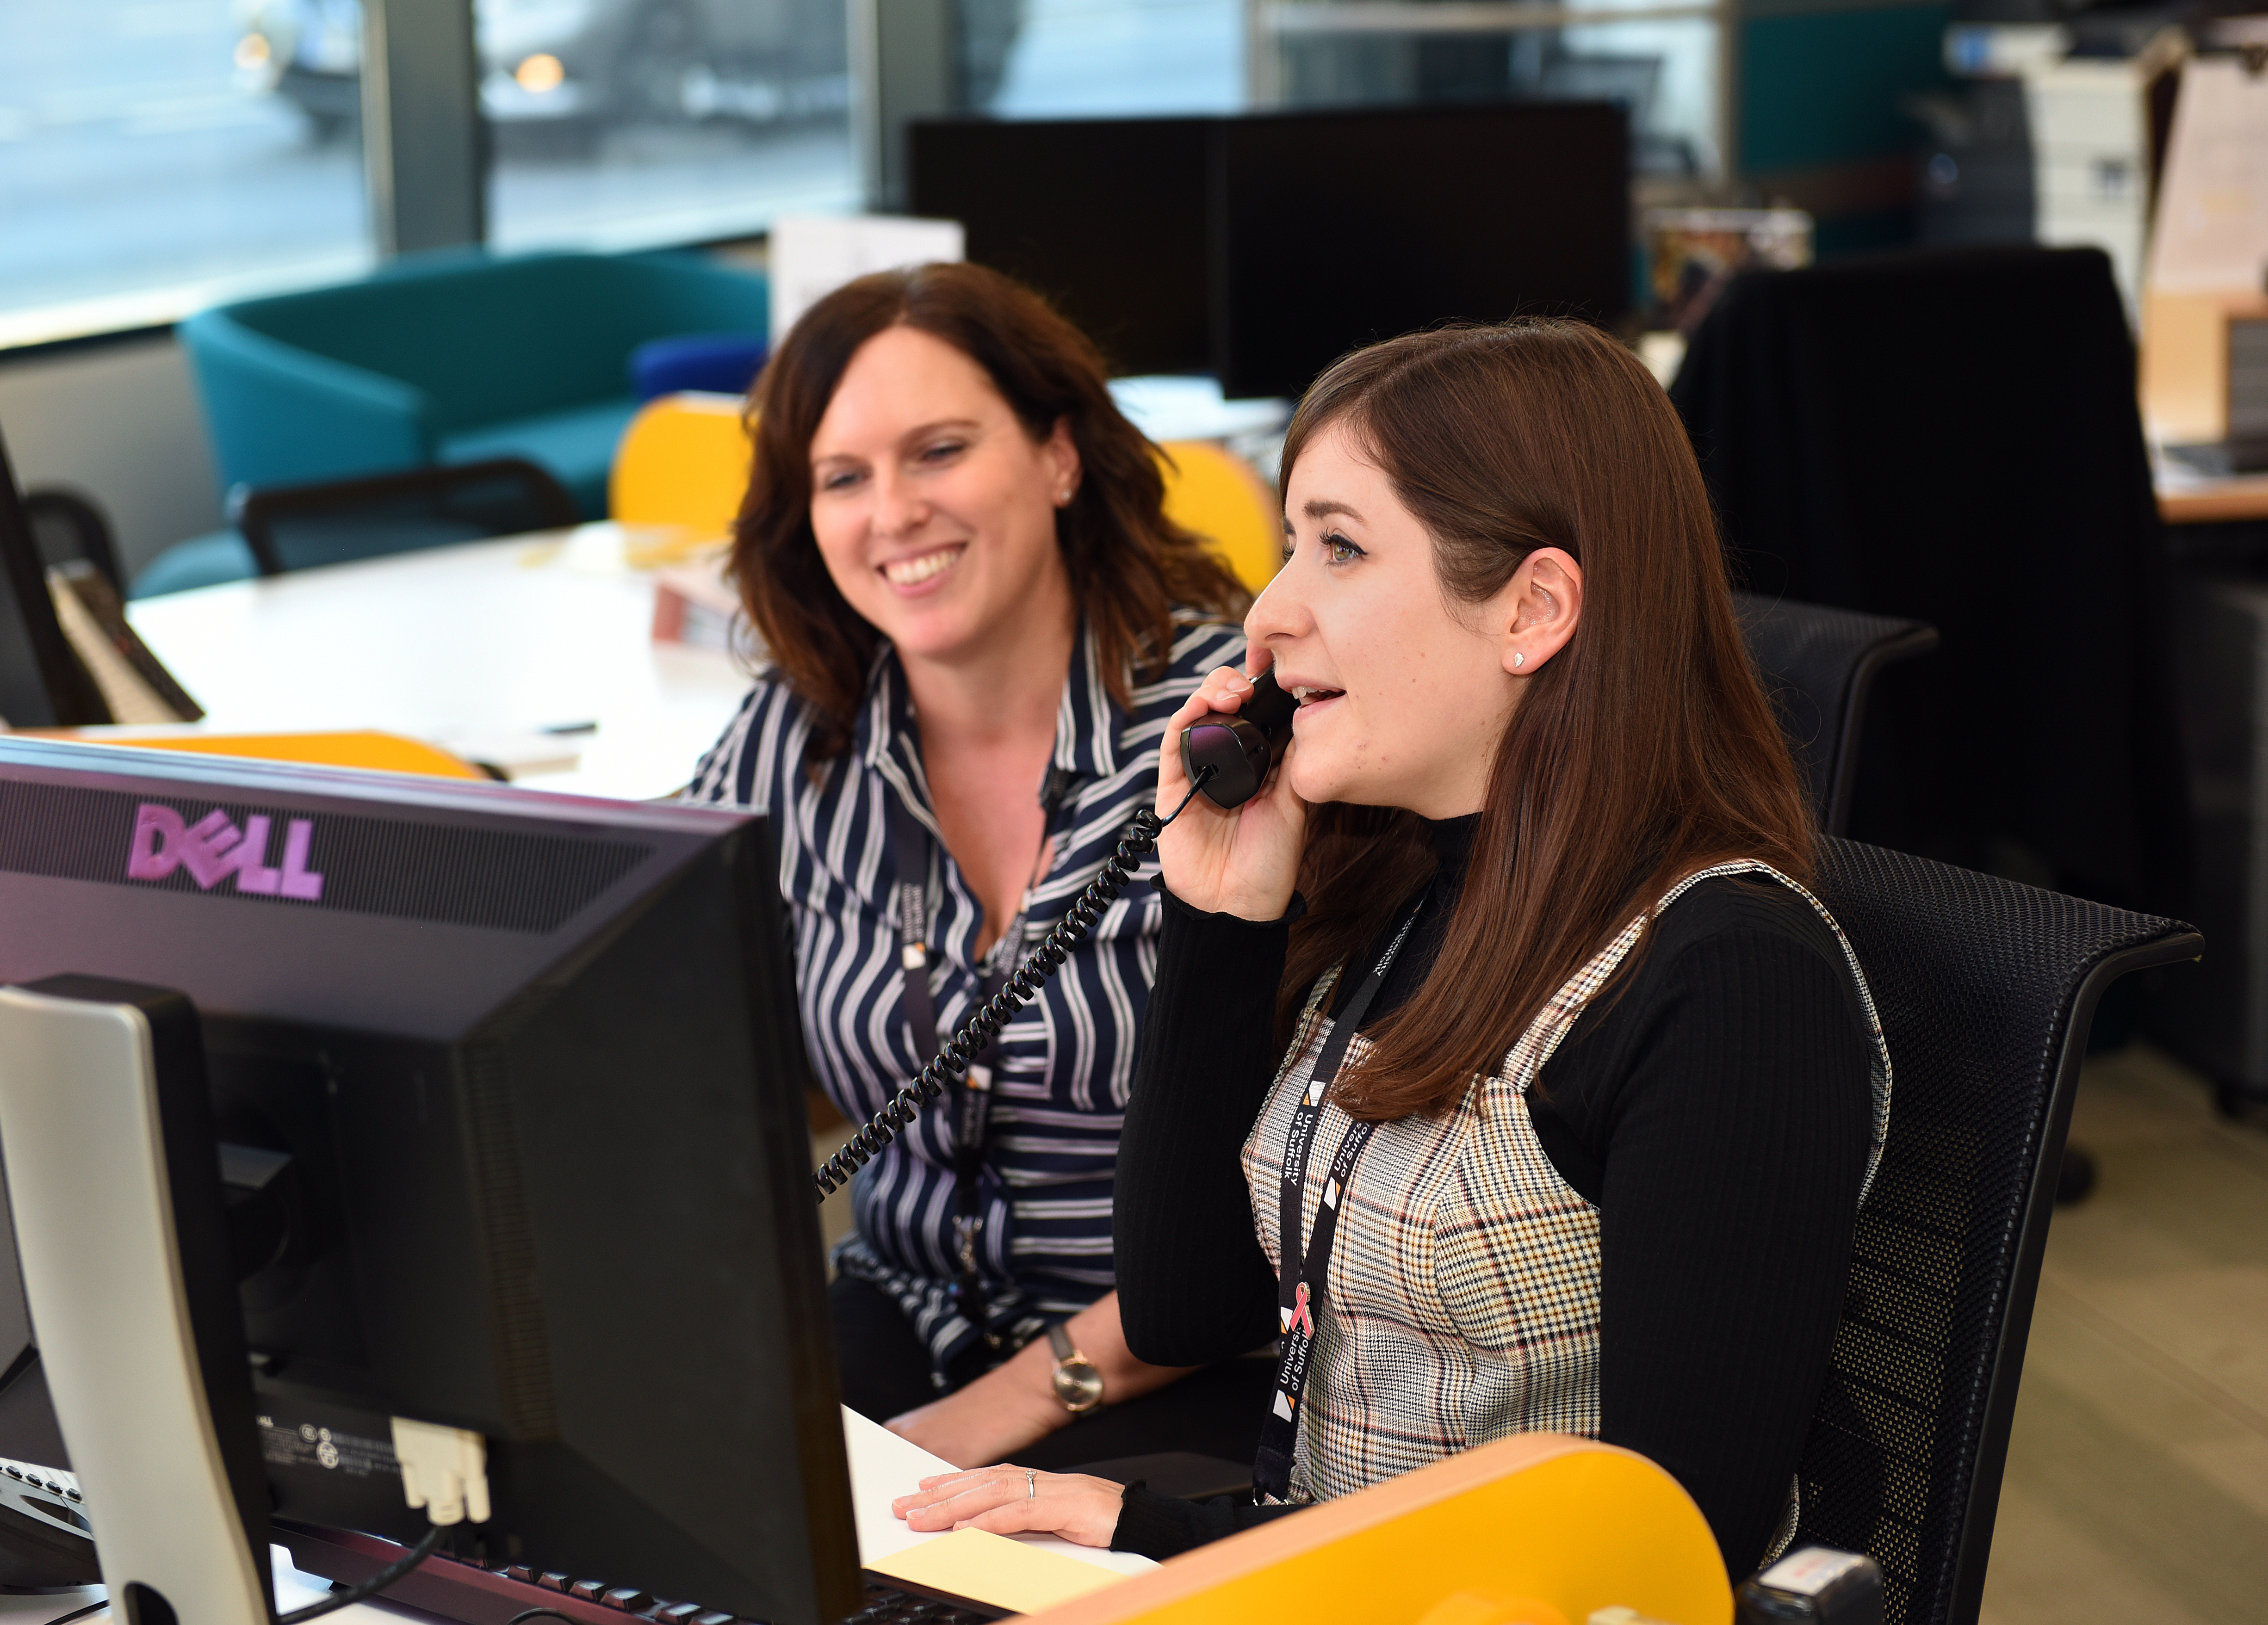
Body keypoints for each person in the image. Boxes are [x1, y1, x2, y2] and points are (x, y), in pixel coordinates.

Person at [889, 320, 1892, 1574]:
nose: (1267, 614)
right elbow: (1188, 1309)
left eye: (1341, 549)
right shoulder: (1407, 889)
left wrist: (1156, 1535)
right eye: (1291, 547)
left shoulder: (1724, 978)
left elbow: (1664, 1543)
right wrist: (1219, 917)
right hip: (1308, 1575)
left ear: (1533, 608)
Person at [684, 261, 1272, 1471]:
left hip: (1196, 1359)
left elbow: (1309, 1180)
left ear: (1059, 457)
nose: (892, 511)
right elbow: (653, 995)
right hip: (903, 1312)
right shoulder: (798, 737)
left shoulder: (1235, 730)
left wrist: (1011, 1404)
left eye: (939, 450)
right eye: (844, 477)